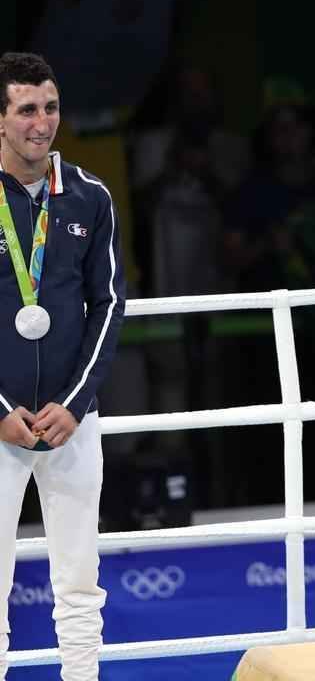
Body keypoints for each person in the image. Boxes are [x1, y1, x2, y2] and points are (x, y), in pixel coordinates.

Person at [0, 52, 126, 680]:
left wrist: (76, 404)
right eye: (27, 109)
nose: (41, 123)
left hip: (72, 423)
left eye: (50, 107)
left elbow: (108, 305)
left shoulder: (89, 195)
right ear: (0, 119)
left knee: (80, 584)